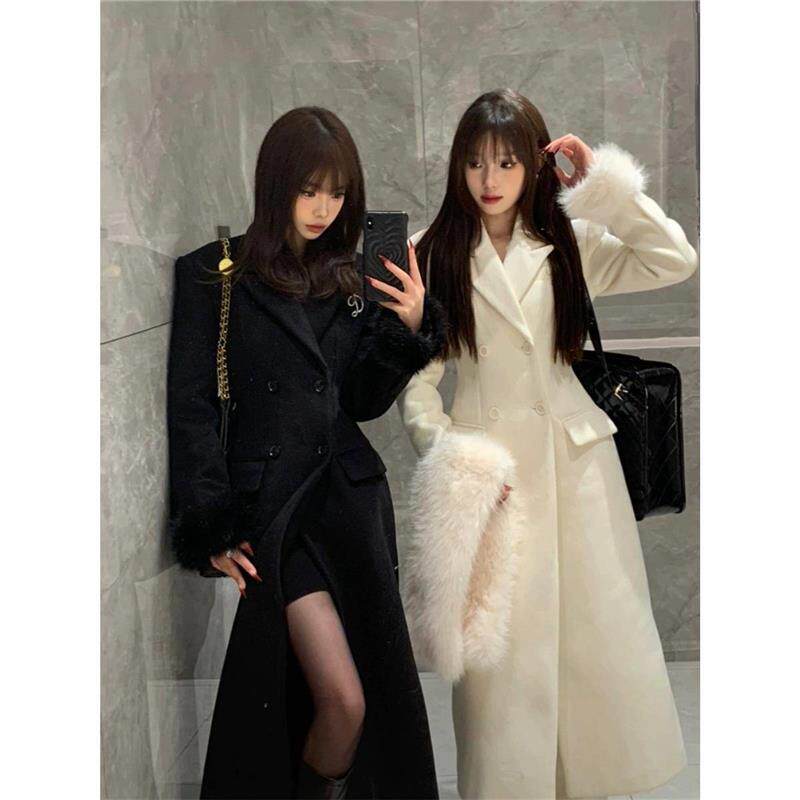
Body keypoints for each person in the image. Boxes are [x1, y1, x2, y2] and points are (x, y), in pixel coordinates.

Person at [395, 88, 697, 799]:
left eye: (506, 162)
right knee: (501, 660)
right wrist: (455, 458)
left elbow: (675, 259)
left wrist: (604, 191)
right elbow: (416, 384)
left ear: (535, 165)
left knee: (594, 640)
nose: (489, 179)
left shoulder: (570, 242)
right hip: (490, 483)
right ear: (457, 167)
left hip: (578, 471)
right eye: (475, 162)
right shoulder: (432, 254)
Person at [167, 106, 444, 799]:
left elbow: (363, 401)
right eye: (309, 189)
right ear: (275, 184)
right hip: (276, 518)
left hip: (348, 508)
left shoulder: (352, 278)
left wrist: (409, 329)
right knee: (342, 700)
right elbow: (193, 406)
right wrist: (210, 522)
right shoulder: (215, 276)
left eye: (338, 192)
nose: (324, 209)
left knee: (366, 697)